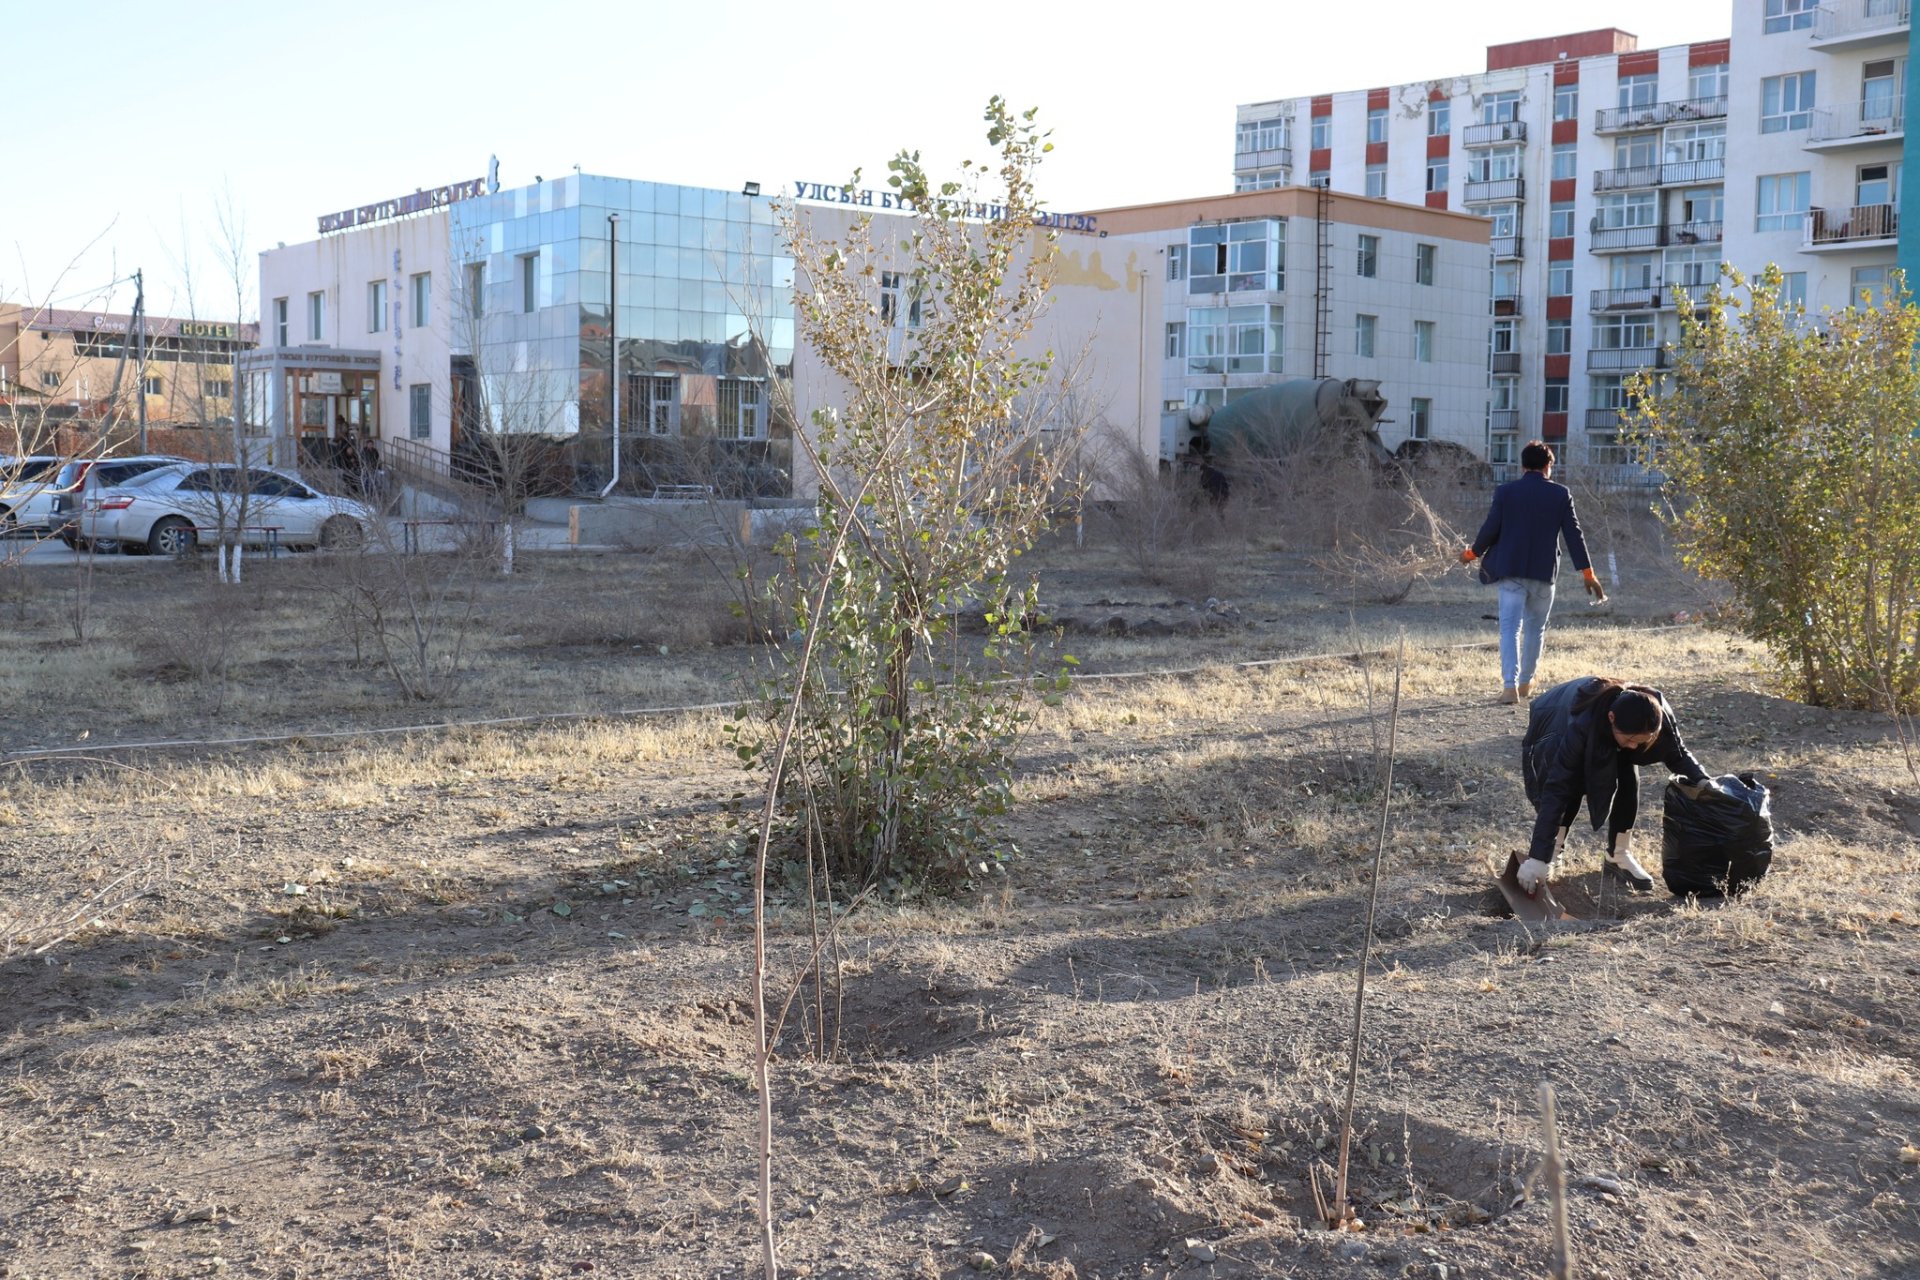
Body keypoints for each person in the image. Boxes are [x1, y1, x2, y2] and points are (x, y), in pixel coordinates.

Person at [1517, 676, 1709, 893]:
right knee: (1571, 785)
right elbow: (1556, 789)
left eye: (1641, 741)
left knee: (1628, 775)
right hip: (1554, 719)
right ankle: (1553, 852)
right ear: (1611, 718)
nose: (1633, 746)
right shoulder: (1579, 724)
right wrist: (1537, 857)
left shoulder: (1656, 715)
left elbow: (1678, 754)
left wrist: (1705, 783)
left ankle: (1618, 855)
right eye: (1629, 739)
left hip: (1605, 725)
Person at [1459, 440, 1606, 704]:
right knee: (1535, 630)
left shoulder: (1506, 492)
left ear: (1523, 466)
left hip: (1512, 573)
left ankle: (1509, 688)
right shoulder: (1561, 494)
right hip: (1543, 575)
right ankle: (1526, 683)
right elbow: (1574, 536)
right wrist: (1587, 572)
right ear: (1548, 466)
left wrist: (1472, 554)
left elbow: (1490, 529)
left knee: (1509, 630)